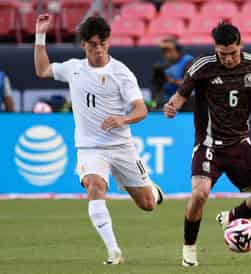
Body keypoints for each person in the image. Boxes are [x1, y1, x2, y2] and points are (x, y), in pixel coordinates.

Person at [34, 14, 164, 264]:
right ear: (83, 44)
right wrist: (40, 35)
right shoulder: (73, 68)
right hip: (90, 148)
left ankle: (152, 191)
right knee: (95, 186)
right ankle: (114, 252)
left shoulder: (121, 72)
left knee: (147, 204)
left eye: (103, 42)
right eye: (93, 43)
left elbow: (141, 109)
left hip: (121, 146)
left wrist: (122, 120)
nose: (98, 48)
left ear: (108, 42)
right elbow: (42, 70)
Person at [164, 22, 251, 267]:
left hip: (240, 144)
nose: (229, 59)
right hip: (209, 145)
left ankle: (231, 217)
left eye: (232, 53)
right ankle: (189, 249)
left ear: (240, 45)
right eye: (223, 54)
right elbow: (181, 94)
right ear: (215, 49)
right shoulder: (202, 66)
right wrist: (172, 106)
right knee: (199, 195)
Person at [160, 38, 193, 103]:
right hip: (167, 98)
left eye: (169, 51)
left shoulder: (188, 62)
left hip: (185, 100)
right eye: (164, 51)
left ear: (178, 50)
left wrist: (172, 81)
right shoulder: (164, 65)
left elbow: (189, 84)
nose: (167, 54)